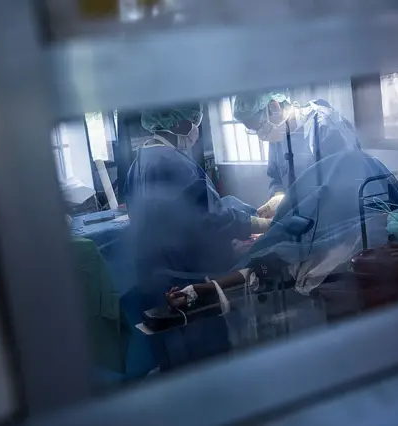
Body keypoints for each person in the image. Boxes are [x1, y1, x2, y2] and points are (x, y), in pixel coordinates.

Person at [123, 105, 272, 370]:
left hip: (153, 278)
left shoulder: (140, 163)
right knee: (207, 362)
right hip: (185, 281)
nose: (195, 131)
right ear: (179, 125)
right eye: (194, 123)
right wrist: (256, 224)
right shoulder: (176, 164)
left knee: (175, 364)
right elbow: (211, 219)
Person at [233, 91, 361, 218]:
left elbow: (348, 180)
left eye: (260, 126)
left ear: (274, 107)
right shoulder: (277, 132)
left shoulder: (324, 124)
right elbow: (275, 176)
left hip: (336, 217)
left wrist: (308, 202)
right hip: (302, 220)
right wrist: (278, 197)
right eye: (254, 130)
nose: (261, 135)